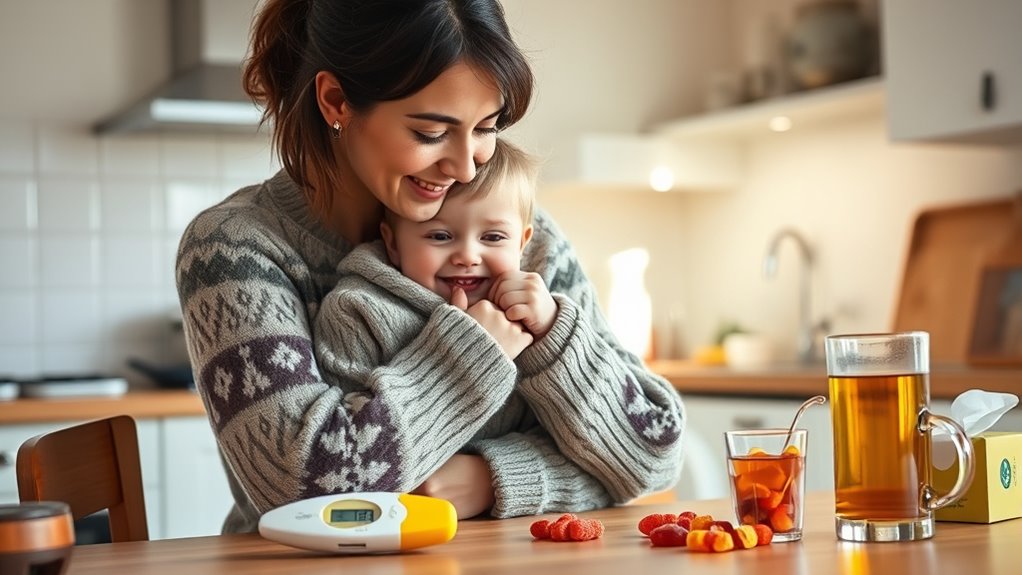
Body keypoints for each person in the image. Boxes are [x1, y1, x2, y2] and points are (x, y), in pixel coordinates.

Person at [175, 0, 686, 535]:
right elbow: (302, 491)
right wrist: (471, 357)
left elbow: (652, 455)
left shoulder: (515, 235)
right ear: (336, 102)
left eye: (486, 128)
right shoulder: (233, 248)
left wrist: (493, 479)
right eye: (430, 133)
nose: (465, 167)